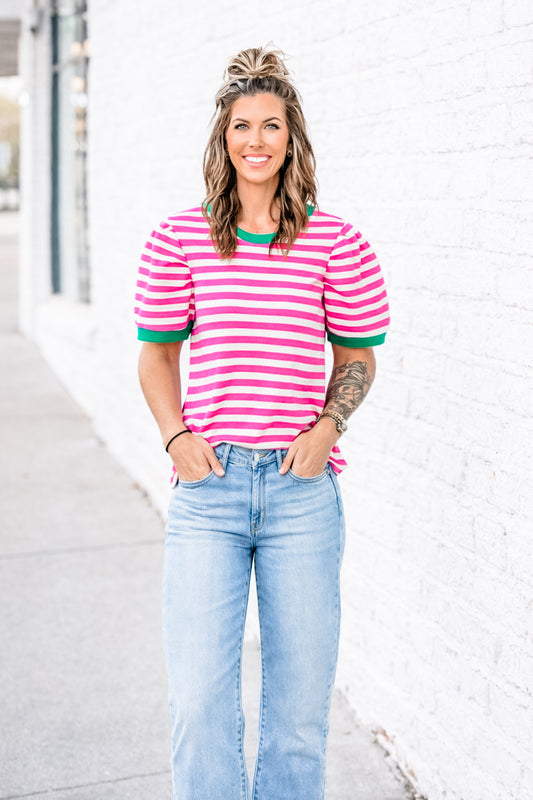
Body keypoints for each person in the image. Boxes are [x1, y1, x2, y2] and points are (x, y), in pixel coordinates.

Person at [135, 44, 390, 800]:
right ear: (222, 139)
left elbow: (357, 359)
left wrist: (323, 434)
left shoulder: (336, 242)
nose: (255, 140)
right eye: (241, 125)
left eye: (270, 125)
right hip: (208, 492)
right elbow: (155, 357)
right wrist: (177, 439)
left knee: (299, 716)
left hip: (300, 494)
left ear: (291, 136)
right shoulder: (178, 241)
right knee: (201, 704)